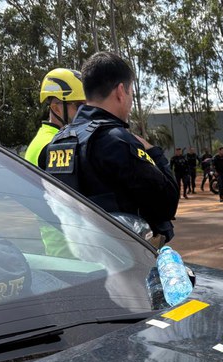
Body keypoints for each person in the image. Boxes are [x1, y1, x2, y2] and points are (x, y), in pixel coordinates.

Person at [44, 52, 179, 243]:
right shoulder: (117, 141)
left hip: (75, 257)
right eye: (131, 93)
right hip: (123, 262)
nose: (131, 101)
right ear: (120, 91)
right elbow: (167, 202)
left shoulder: (59, 140)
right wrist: (152, 152)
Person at [24, 68, 86, 168]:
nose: (86, 111)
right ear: (56, 109)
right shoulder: (51, 144)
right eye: (79, 106)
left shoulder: (56, 138)